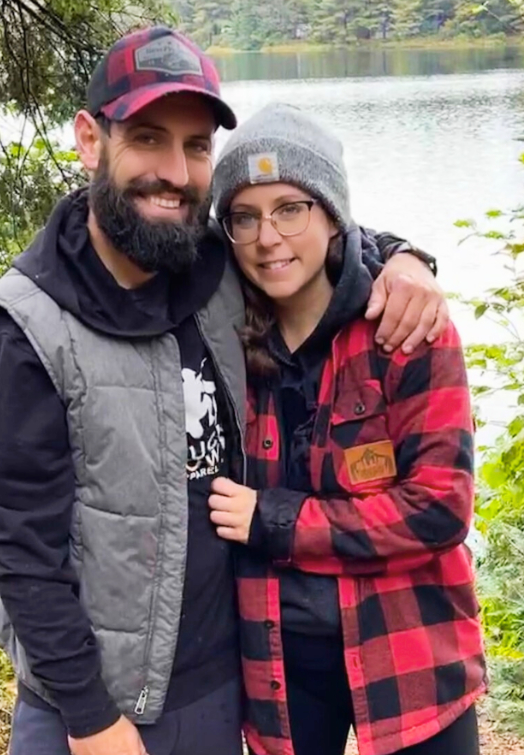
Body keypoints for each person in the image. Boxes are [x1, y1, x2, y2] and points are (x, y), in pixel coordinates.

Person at [0, 26, 450, 755]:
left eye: (194, 147)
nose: (175, 172)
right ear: (91, 141)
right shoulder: (22, 330)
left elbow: (308, 237)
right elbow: (23, 554)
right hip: (91, 711)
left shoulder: (212, 271)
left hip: (221, 688)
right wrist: (91, 718)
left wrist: (403, 259)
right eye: (149, 139)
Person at [205, 102, 485, 755]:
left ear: (331, 214)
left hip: (410, 655)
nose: (268, 237)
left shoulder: (405, 328)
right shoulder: (216, 335)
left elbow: (439, 509)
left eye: (290, 208)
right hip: (279, 665)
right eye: (244, 216)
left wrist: (274, 520)